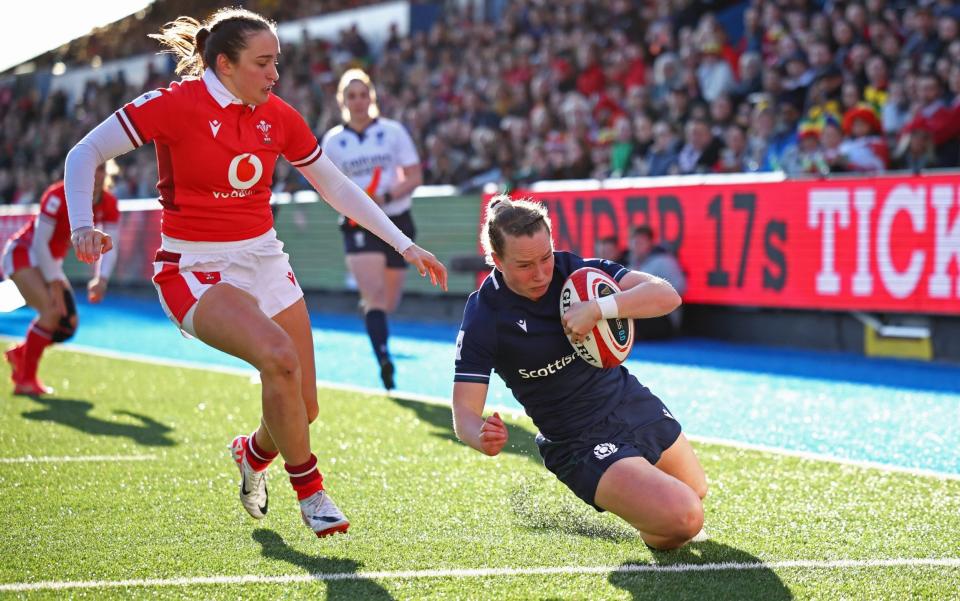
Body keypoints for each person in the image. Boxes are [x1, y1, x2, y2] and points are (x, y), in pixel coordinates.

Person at [63, 8, 447, 539]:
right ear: (225, 64)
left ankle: (251, 451)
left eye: (276, 63)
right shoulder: (174, 105)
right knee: (278, 357)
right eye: (263, 63)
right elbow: (84, 154)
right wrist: (82, 225)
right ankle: (311, 493)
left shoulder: (279, 115)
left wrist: (404, 244)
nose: (274, 74)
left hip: (264, 259)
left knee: (303, 407)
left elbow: (334, 186)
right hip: (194, 268)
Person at [452, 195, 707, 550]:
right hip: (577, 440)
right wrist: (479, 435)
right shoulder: (484, 315)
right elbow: (463, 412)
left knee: (696, 490)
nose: (541, 273)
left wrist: (599, 308)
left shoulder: (575, 272)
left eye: (546, 257)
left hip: (626, 400)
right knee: (686, 517)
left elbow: (667, 296)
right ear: (496, 260)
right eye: (525, 265)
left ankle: (649, 503)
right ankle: (650, 513)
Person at [321, 69, 423, 391]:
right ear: (343, 102)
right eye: (351, 96)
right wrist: (350, 205)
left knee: (388, 301)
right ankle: (383, 358)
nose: (358, 101)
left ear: (371, 98)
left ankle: (373, 318)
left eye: (363, 94)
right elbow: (326, 185)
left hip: (397, 218)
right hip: (358, 225)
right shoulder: (334, 141)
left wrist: (388, 195)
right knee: (374, 296)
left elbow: (415, 175)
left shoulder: (392, 132)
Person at [2, 163, 119, 396]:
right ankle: (26, 380)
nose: (96, 173)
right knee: (51, 312)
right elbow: (38, 243)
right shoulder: (57, 195)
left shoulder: (109, 204)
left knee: (67, 326)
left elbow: (112, 246)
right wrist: (55, 283)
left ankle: (20, 355)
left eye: (101, 168)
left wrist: (102, 279)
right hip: (23, 254)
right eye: (91, 167)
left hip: (49, 263)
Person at [626, 225, 686, 339]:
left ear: (649, 244)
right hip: (636, 313)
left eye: (640, 243)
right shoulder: (629, 265)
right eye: (633, 242)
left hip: (663, 317)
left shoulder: (665, 261)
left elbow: (681, 287)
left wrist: (652, 293)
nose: (635, 246)